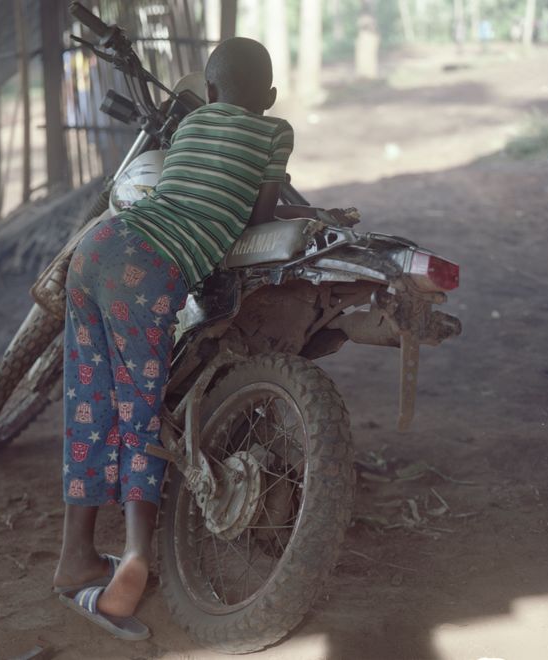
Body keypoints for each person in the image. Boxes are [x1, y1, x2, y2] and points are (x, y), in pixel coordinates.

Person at [52, 36, 337, 640]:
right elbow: (259, 218)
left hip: (100, 247)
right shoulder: (274, 132)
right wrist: (313, 217)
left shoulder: (192, 125)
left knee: (90, 402)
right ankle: (134, 555)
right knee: (140, 410)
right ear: (271, 96)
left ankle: (75, 557)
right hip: (149, 270)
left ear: (208, 93)